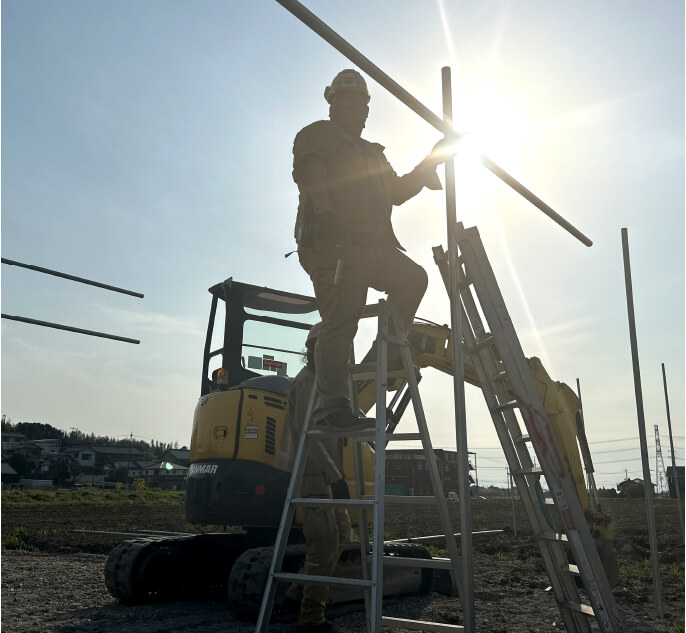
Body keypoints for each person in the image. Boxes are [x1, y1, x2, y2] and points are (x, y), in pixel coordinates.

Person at [292, 68, 452, 429]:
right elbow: (310, 172)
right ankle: (331, 408)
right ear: (332, 105)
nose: (354, 110)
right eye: (345, 103)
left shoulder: (372, 154)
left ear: (366, 110)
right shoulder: (316, 135)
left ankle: (388, 357)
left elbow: (395, 192)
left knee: (412, 280)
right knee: (341, 320)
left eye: (359, 105)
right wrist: (325, 211)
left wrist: (432, 161)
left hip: (371, 248)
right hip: (332, 246)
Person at [282, 322, 353, 633]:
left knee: (342, 536)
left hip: (328, 474)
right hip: (314, 475)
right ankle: (310, 620)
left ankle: (297, 594)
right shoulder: (307, 383)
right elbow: (306, 440)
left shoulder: (326, 386)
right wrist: (335, 476)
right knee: (323, 542)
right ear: (314, 351)